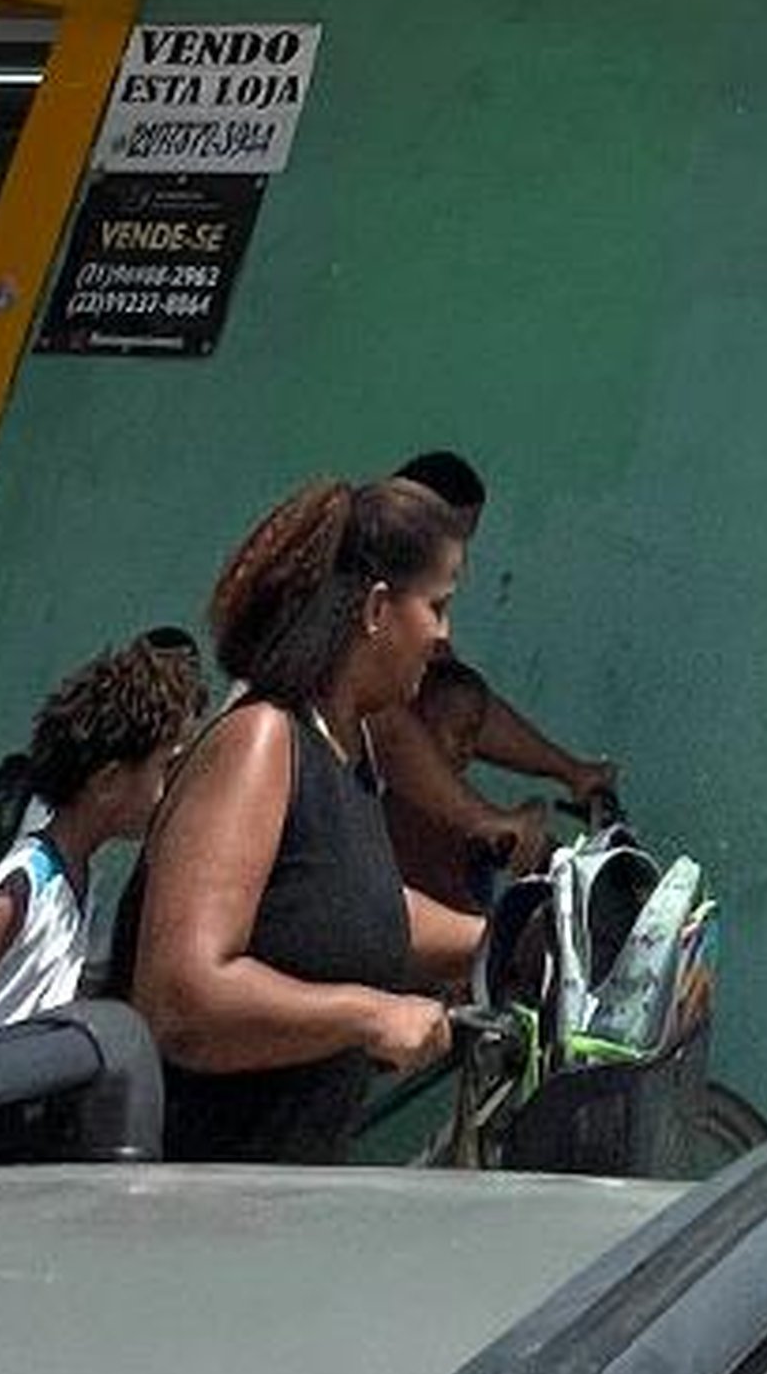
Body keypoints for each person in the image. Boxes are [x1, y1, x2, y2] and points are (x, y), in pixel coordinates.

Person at [134, 475, 481, 1159]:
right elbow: (183, 995)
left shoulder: (347, 751)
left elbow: (350, 907)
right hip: (186, 1207)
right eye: (437, 607)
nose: (444, 636)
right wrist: (370, 1016)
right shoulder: (262, 742)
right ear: (377, 610)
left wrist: (508, 937)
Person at [0, 632, 200, 1054]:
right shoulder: (25, 884)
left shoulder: (80, 883)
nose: (167, 789)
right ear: (109, 781)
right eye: (163, 768)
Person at [373, 449, 620, 915]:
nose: (461, 555)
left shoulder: (411, 618)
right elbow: (393, 732)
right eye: (454, 537)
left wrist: (570, 770)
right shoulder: (354, 617)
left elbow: (467, 704)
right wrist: (483, 820)